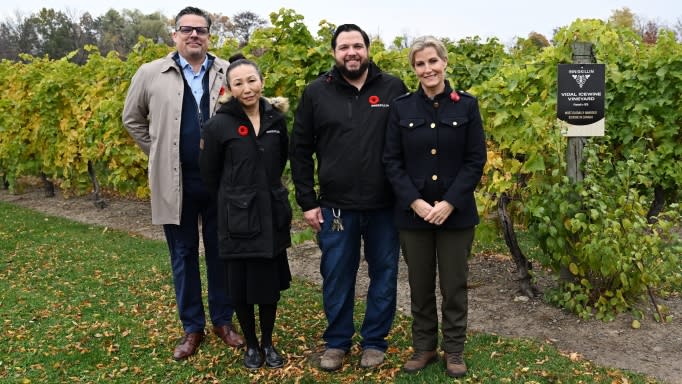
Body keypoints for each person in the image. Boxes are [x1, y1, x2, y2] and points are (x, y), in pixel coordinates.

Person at [122, 6, 243, 361]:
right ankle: (192, 327)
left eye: (201, 30)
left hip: (221, 184)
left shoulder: (227, 71)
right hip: (175, 185)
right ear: (174, 34)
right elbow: (132, 119)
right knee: (183, 255)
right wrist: (160, 152)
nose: (194, 35)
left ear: (209, 35)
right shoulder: (150, 73)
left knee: (222, 254)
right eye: (186, 29)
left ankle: (223, 321)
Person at [289, 23, 408, 371]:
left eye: (357, 45)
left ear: (368, 50)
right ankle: (337, 342)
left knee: (384, 274)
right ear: (334, 53)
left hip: (385, 206)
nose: (351, 52)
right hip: (336, 207)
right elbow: (300, 149)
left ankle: (374, 341)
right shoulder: (316, 93)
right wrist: (308, 201)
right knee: (337, 275)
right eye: (344, 47)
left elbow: (406, 143)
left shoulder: (393, 87)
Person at [382, 36, 487, 378]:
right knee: (420, 284)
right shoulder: (402, 107)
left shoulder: (466, 106)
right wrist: (416, 202)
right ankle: (424, 347)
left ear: (445, 63)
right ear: (413, 69)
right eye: (419, 64)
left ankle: (454, 349)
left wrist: (449, 203)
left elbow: (475, 160)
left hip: (456, 216)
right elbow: (391, 161)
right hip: (413, 215)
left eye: (432, 61)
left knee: (454, 285)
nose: (427, 69)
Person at [199, 54, 292, 370]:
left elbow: (280, 162)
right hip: (237, 220)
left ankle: (268, 342)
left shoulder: (276, 120)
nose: (247, 88)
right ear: (229, 88)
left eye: (252, 80)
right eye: (238, 83)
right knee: (240, 288)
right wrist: (236, 199)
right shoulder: (217, 126)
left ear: (261, 82)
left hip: (271, 216)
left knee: (268, 289)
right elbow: (210, 176)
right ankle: (251, 345)